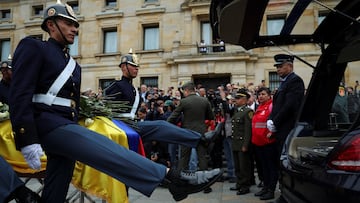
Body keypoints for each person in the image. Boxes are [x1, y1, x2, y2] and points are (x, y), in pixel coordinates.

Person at [9, 2, 222, 202]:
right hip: (46, 124)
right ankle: (173, 179)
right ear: (50, 25)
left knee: (57, 186)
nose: (74, 29)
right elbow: (20, 93)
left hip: (66, 125)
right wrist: (26, 137)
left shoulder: (74, 65)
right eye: (68, 24)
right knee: (105, 147)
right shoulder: (34, 47)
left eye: (76, 25)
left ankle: (198, 141)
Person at [266, 54, 305, 203]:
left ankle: (287, 194)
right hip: (280, 128)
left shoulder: (295, 81)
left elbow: (290, 105)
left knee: (285, 162)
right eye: (277, 67)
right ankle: (284, 191)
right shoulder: (284, 83)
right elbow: (277, 105)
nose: (278, 69)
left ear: (290, 65)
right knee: (280, 161)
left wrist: (275, 121)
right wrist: (271, 119)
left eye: (280, 66)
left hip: (287, 127)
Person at [166, 82, 216, 193]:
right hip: (201, 133)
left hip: (187, 133)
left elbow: (173, 117)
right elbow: (210, 116)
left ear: (187, 90)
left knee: (184, 158)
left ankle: (180, 183)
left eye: (184, 91)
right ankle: (206, 185)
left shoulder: (184, 101)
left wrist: (167, 126)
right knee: (202, 157)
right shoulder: (204, 100)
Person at [252, 87, 277, 200]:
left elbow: (276, 121)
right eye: (259, 94)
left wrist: (272, 132)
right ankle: (265, 187)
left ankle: (271, 190)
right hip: (258, 142)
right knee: (263, 167)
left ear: (269, 95)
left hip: (268, 143)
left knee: (270, 167)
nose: (260, 96)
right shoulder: (259, 107)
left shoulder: (272, 106)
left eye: (263, 94)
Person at [229, 89, 254, 195]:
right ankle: (239, 183)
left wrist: (245, 145)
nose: (236, 100)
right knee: (238, 165)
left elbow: (248, 130)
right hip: (236, 143)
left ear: (244, 100)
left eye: (238, 99)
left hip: (242, 143)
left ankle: (245, 186)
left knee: (244, 166)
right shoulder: (237, 111)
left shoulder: (248, 112)